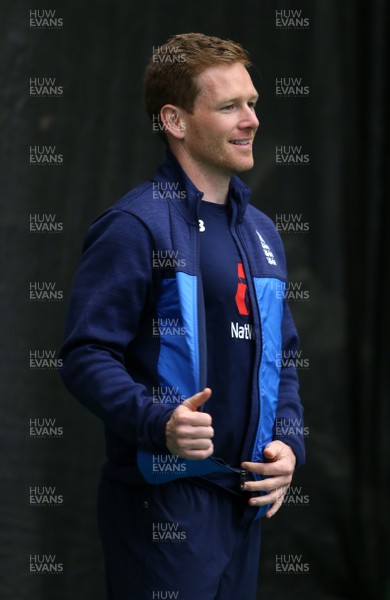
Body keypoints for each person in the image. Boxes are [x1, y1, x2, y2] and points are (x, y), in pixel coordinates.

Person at [60, 32, 305, 600]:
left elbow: (283, 357)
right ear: (174, 120)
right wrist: (158, 421)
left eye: (253, 103)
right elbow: (84, 355)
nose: (251, 121)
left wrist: (290, 446)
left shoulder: (262, 231)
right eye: (229, 107)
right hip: (162, 507)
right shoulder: (136, 224)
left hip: (243, 508)